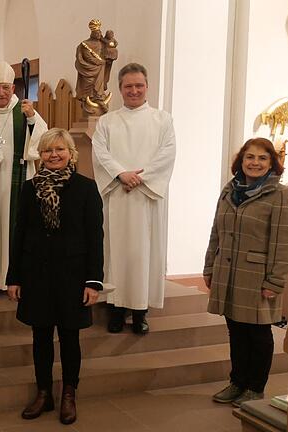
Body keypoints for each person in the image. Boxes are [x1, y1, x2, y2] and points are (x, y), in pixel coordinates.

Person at [6, 128, 103, 425]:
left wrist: (93, 280)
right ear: (41, 155)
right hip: (37, 274)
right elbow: (19, 233)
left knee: (70, 337)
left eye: (60, 149)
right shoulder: (30, 187)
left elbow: (94, 237)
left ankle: (69, 394)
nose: (54, 155)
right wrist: (15, 277)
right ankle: (44, 392)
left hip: (72, 276)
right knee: (41, 336)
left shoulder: (86, 188)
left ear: (71, 153)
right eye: (48, 150)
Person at [205, 138, 288, 407]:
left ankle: (255, 387)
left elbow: (285, 243)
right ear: (241, 160)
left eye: (262, 158)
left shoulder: (281, 195)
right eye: (250, 157)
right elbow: (216, 232)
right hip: (228, 272)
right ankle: (237, 382)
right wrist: (210, 266)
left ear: (272, 164)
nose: (254, 163)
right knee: (235, 330)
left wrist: (275, 281)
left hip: (258, 277)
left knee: (257, 334)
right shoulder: (229, 190)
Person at [91, 62, 176, 335]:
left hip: (146, 198)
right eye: (128, 86)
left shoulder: (163, 120)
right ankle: (116, 308)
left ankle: (140, 312)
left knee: (144, 253)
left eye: (139, 85)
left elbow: (167, 154)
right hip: (118, 196)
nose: (134, 90)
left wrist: (141, 177)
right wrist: (120, 174)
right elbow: (100, 153)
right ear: (120, 89)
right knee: (117, 252)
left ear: (147, 86)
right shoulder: (107, 121)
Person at [0, 60, 48, 297]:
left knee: (20, 226)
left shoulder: (25, 111)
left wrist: (33, 118)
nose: (1, 93)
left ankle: (19, 278)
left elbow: (43, 140)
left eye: (5, 87)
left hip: (20, 178)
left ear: (12, 89)